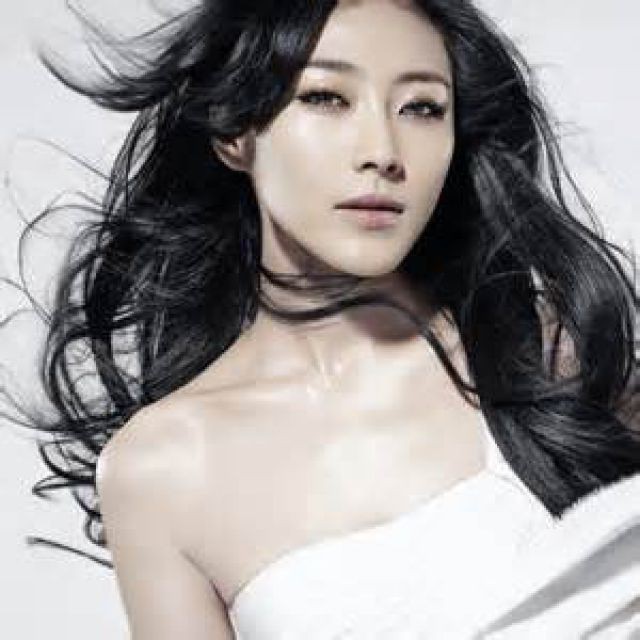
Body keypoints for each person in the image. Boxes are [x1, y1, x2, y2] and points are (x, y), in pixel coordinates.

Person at [11, 0, 639, 637]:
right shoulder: (157, 469)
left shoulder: (546, 349)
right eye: (327, 98)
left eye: (422, 108)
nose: (383, 152)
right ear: (234, 131)